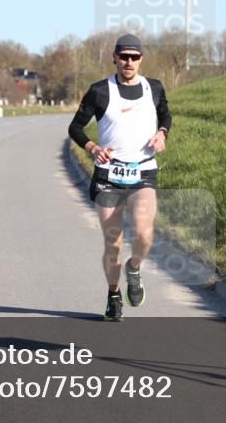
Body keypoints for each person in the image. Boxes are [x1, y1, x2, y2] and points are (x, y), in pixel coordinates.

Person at [68, 34, 172, 321]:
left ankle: (135, 267)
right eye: (123, 56)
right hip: (109, 175)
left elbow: (166, 116)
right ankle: (114, 294)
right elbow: (75, 128)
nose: (128, 61)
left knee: (144, 232)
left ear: (141, 59)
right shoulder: (100, 91)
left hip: (143, 170)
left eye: (134, 57)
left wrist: (162, 133)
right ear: (114, 57)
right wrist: (92, 147)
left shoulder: (154, 89)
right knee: (113, 243)